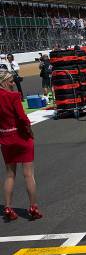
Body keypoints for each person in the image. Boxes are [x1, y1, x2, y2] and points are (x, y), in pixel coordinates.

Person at [0, 71, 42, 221]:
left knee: (10, 175)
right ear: (3, 81)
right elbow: (23, 117)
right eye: (10, 81)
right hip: (21, 137)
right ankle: (33, 207)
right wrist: (30, 131)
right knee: (28, 174)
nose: (13, 83)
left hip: (5, 138)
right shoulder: (13, 96)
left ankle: (8, 207)